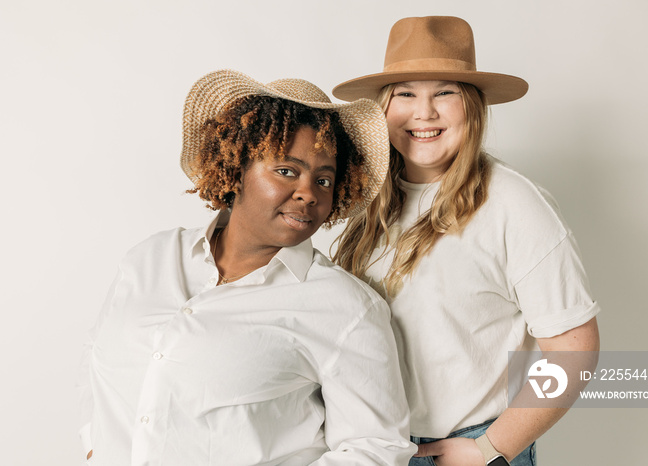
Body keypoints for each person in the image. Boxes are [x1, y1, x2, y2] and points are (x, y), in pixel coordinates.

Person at [76, 70, 417, 465]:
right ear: (237, 166)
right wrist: (93, 442)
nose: (308, 193)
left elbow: (376, 447)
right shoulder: (150, 257)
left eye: (324, 180)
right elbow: (96, 356)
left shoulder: (346, 307)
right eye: (287, 171)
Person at [324, 16, 601, 466]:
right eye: (406, 93)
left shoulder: (513, 203)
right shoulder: (365, 199)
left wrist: (491, 448)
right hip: (371, 446)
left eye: (444, 93)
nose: (424, 112)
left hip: (466, 447)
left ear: (472, 106)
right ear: (383, 108)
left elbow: (575, 348)